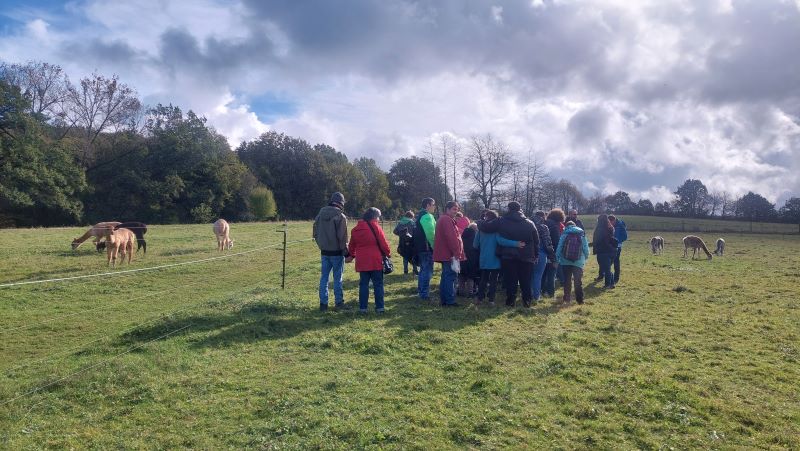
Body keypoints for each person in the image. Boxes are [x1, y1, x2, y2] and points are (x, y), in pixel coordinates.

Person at [479, 202, 539, 308]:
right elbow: (536, 240)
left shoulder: (501, 221)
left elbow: (487, 228)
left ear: (508, 209)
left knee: (511, 280)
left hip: (508, 255)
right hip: (527, 255)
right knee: (525, 280)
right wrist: (536, 255)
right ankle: (527, 302)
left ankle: (510, 302)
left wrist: (479, 222)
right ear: (520, 209)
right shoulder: (530, 223)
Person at [347, 207, 391, 313]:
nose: (379, 219)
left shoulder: (355, 229)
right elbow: (383, 243)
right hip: (375, 260)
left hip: (362, 261)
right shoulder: (376, 228)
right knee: (378, 284)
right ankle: (380, 307)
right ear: (375, 216)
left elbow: (351, 245)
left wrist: (352, 255)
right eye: (378, 217)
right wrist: (388, 254)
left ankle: (363, 308)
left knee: (363, 285)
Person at [474, 210, 522, 306]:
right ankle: (491, 300)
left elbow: (475, 245)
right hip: (495, 259)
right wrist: (516, 243)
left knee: (483, 279)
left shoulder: (480, 230)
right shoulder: (496, 230)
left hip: (484, 258)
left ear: (486, 217)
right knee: (493, 280)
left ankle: (480, 299)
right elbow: (502, 241)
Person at [312, 192, 350, 311]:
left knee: (324, 278)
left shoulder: (320, 214)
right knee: (337, 278)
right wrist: (345, 251)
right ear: (341, 203)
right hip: (337, 252)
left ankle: (323, 304)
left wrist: (321, 245)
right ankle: (339, 303)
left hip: (324, 251)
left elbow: (315, 232)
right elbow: (342, 237)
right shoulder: (341, 216)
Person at [432, 201, 466, 307]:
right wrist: (456, 252)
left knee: (446, 276)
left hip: (445, 253)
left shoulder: (444, 219)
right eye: (454, 209)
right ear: (447, 209)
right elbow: (451, 237)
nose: (456, 211)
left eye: (457, 209)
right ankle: (449, 301)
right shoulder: (446, 220)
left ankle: (445, 300)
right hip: (449, 254)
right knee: (450, 276)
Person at [556, 220, 590, 304]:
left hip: (565, 261)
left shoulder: (564, 234)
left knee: (567, 280)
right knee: (577, 281)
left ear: (566, 226)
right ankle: (580, 300)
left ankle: (567, 299)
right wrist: (585, 257)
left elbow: (559, 247)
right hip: (578, 261)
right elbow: (586, 248)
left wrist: (557, 258)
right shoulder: (582, 234)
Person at [412, 198, 437, 300]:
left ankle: (421, 292)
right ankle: (424, 295)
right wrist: (435, 247)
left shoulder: (420, 215)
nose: (434, 207)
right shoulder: (427, 216)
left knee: (423, 270)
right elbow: (431, 234)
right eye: (433, 204)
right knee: (427, 271)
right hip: (426, 248)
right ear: (428, 205)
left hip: (420, 248)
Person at [531, 211, 554, 302]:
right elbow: (548, 243)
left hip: (528, 254)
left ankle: (529, 294)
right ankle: (536, 297)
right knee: (537, 276)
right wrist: (552, 255)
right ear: (543, 217)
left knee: (530, 275)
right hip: (541, 253)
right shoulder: (543, 227)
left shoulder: (528, 225)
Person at [542, 208, 565, 297]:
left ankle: (542, 291)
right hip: (552, 252)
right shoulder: (555, 226)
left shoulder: (544, 223)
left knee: (543, 273)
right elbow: (556, 242)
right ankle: (550, 293)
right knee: (551, 274)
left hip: (544, 252)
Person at [592, 214, 616, 289]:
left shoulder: (599, 229)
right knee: (608, 268)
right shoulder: (610, 228)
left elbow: (598, 240)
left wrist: (593, 245)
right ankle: (611, 284)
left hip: (603, 251)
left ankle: (607, 285)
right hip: (612, 251)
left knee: (606, 269)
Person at [458, 223, 480, 297]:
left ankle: (461, 291)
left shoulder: (462, 235)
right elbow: (477, 248)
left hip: (462, 258)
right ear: (475, 229)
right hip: (472, 259)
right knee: (470, 276)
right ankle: (470, 292)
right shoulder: (475, 236)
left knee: (461, 275)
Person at [393, 211, 418, 275]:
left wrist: (401, 235)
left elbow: (395, 231)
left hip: (402, 242)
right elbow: (415, 232)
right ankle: (415, 271)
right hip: (411, 241)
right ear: (411, 216)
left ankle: (405, 271)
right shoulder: (412, 222)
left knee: (405, 256)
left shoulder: (400, 222)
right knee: (413, 256)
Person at [608, 214, 628, 285]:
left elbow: (625, 236)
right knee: (608, 262)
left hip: (617, 246)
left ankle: (616, 278)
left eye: (610, 222)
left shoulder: (620, 225)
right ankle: (608, 276)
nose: (610, 224)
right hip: (610, 246)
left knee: (616, 261)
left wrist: (617, 241)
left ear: (614, 220)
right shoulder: (610, 224)